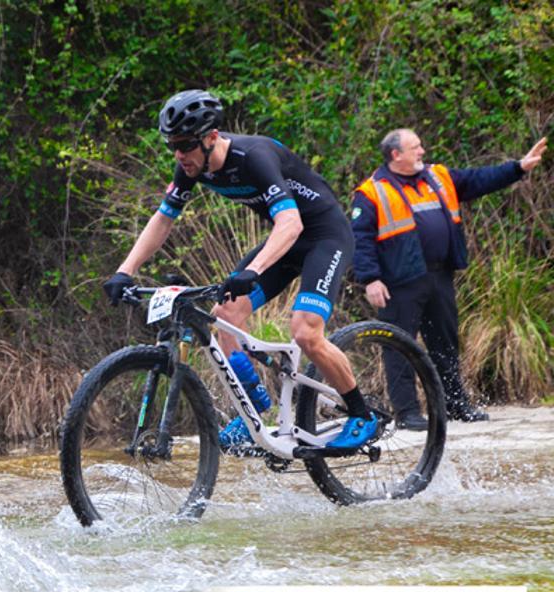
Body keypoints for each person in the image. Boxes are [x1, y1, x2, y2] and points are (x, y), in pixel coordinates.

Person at [103, 89, 376, 452]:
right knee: (226, 314)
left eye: (185, 145)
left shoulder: (254, 157)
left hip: (324, 236)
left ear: (212, 137)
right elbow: (163, 219)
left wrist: (256, 269)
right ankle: (254, 409)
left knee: (305, 332)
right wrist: (125, 271)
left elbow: (292, 222)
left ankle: (362, 414)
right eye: (172, 146)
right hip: (287, 240)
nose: (179, 155)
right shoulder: (191, 166)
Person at [351, 129, 546, 429]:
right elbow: (360, 239)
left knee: (445, 342)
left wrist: (518, 168)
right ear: (395, 154)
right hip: (399, 283)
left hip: (439, 275)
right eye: (416, 147)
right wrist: (370, 279)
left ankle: (455, 405)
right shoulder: (371, 192)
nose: (422, 151)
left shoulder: (437, 176)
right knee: (398, 346)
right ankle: (408, 414)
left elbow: (477, 180)